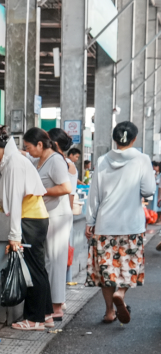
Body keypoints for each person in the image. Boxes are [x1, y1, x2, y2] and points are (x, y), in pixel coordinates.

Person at [0, 125, 52, 331]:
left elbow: (16, 202)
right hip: (33, 218)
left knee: (33, 269)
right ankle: (45, 315)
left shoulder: (15, 164)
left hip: (30, 220)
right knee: (37, 267)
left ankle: (34, 319)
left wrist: (14, 237)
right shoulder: (6, 163)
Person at [85, 121, 155, 323]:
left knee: (106, 269)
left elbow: (94, 195)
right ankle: (121, 293)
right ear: (134, 139)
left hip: (105, 224)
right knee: (129, 264)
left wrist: (90, 221)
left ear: (114, 139)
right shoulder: (142, 160)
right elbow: (149, 190)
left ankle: (109, 311)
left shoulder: (102, 160)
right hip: (131, 224)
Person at [22, 127, 74, 323]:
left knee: (56, 260)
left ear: (40, 144)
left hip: (57, 215)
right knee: (47, 261)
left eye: (29, 147)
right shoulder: (39, 159)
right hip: (46, 215)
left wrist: (40, 191)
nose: (28, 151)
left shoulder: (56, 161)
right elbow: (24, 159)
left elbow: (66, 187)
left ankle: (57, 306)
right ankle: (50, 304)